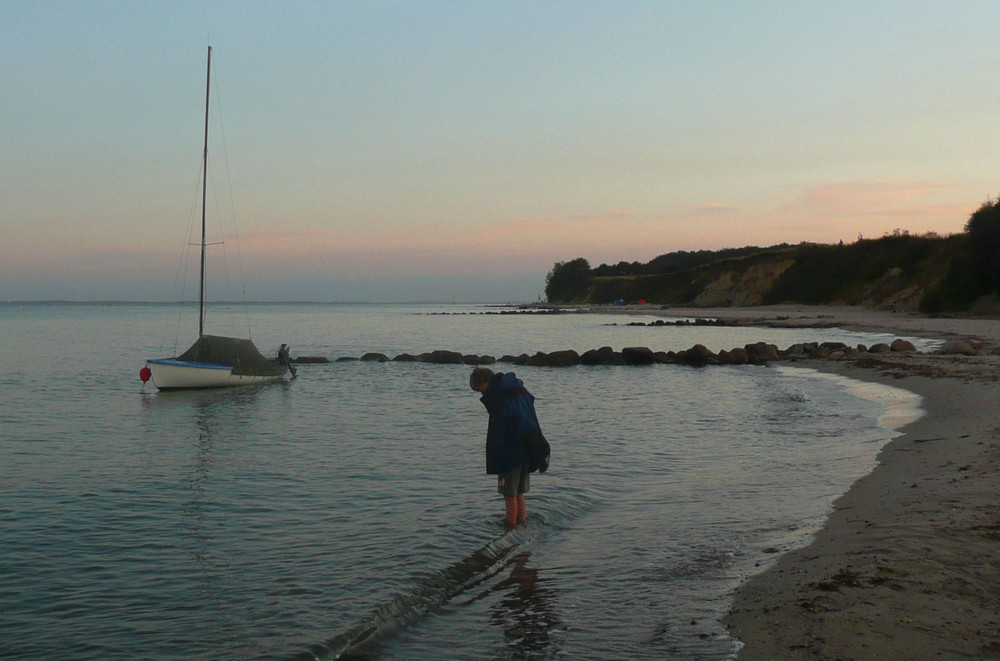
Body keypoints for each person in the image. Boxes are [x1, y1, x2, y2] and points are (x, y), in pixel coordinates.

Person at [470, 367, 548, 528]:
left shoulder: (498, 397)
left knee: (509, 494)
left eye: (479, 389)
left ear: (485, 381)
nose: (481, 393)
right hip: (529, 445)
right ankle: (522, 524)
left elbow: (501, 430)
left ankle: (510, 528)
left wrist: (497, 457)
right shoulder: (518, 388)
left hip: (511, 451)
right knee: (518, 492)